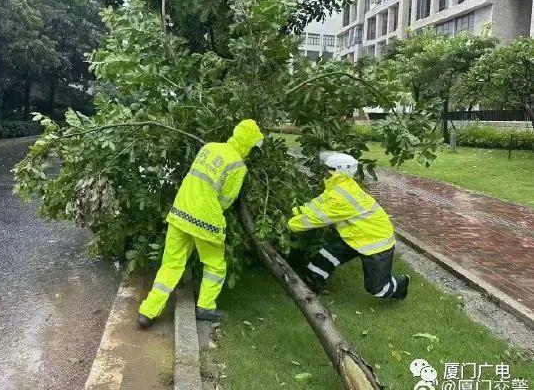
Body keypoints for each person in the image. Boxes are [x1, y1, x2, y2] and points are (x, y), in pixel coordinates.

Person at [137, 120, 264, 328]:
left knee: (171, 264)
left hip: (180, 211)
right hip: (206, 220)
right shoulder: (238, 166)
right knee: (215, 264)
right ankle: (205, 307)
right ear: (248, 143)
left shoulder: (209, 147)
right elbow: (225, 200)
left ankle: (147, 312)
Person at [287, 151, 409, 300]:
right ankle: (311, 286)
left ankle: (401, 284)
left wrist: (287, 225)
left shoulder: (341, 198)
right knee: (326, 256)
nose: (324, 173)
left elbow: (314, 219)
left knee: (377, 289)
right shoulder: (339, 188)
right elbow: (316, 205)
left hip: (375, 243)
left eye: (328, 170)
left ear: (337, 173)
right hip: (356, 235)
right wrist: (292, 212)